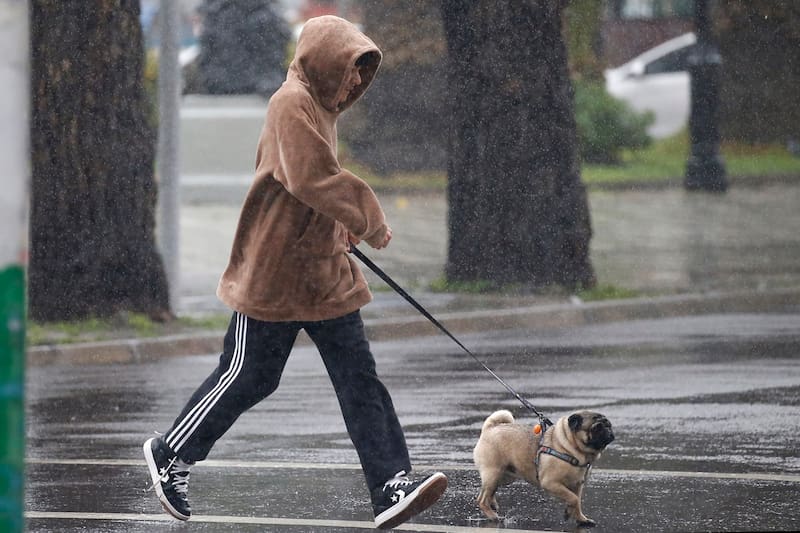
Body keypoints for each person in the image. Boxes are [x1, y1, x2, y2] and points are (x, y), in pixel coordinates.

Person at [143, 15, 447, 530]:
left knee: (359, 380)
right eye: (352, 67)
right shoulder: (290, 103)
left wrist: (340, 227)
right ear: (324, 62)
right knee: (249, 376)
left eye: (363, 69)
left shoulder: (321, 107)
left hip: (324, 273)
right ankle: (171, 453)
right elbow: (310, 178)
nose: (357, 79)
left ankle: (390, 486)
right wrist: (368, 218)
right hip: (276, 271)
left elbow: (310, 190)